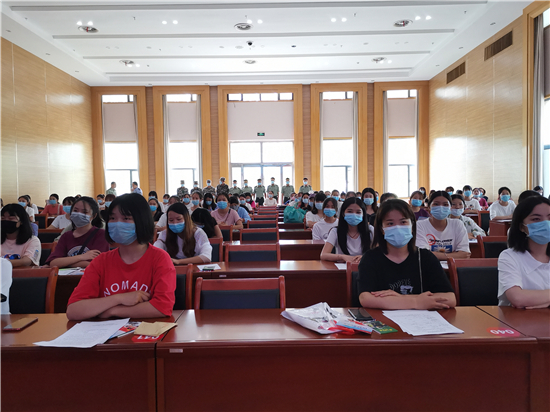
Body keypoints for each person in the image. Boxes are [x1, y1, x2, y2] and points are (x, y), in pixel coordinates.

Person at [66, 193, 176, 320]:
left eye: (126, 218)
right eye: (112, 218)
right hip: (104, 332)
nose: (117, 224)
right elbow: (73, 310)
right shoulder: (101, 261)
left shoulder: (160, 259)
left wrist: (113, 311)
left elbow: (162, 307)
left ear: (142, 221)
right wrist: (118, 298)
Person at [357, 199, 456, 310]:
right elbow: (365, 298)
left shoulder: (425, 257)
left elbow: (450, 298)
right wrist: (417, 302)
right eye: (390, 223)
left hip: (422, 320)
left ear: (412, 225)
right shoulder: (370, 258)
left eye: (403, 222)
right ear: (382, 229)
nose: (398, 227)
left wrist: (400, 298)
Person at [497, 195, 550, 308]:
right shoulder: (509, 257)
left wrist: (539, 301)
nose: (546, 224)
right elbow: (518, 298)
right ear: (522, 226)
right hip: (516, 318)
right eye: (536, 219)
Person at [46, 196, 110, 268]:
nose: (79, 214)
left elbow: (96, 264)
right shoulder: (66, 236)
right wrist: (82, 257)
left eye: (84, 212)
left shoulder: (101, 234)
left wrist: (66, 262)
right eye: (75, 211)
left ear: (94, 216)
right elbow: (54, 262)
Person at [416, 191, 471, 261]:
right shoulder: (420, 225)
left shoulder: (457, 224)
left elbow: (465, 254)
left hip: (454, 267)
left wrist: (433, 255)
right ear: (429, 207)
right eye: (436, 204)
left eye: (445, 204)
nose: (441, 207)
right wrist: (454, 255)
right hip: (429, 267)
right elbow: (423, 255)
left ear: (450, 208)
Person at [320, 198, 373, 263]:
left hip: (365, 266)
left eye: (358, 212)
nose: (354, 214)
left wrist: (365, 257)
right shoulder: (335, 231)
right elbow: (323, 255)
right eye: (350, 211)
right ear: (343, 213)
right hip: (343, 267)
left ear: (363, 215)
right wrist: (342, 257)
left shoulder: (370, 230)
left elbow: (380, 253)